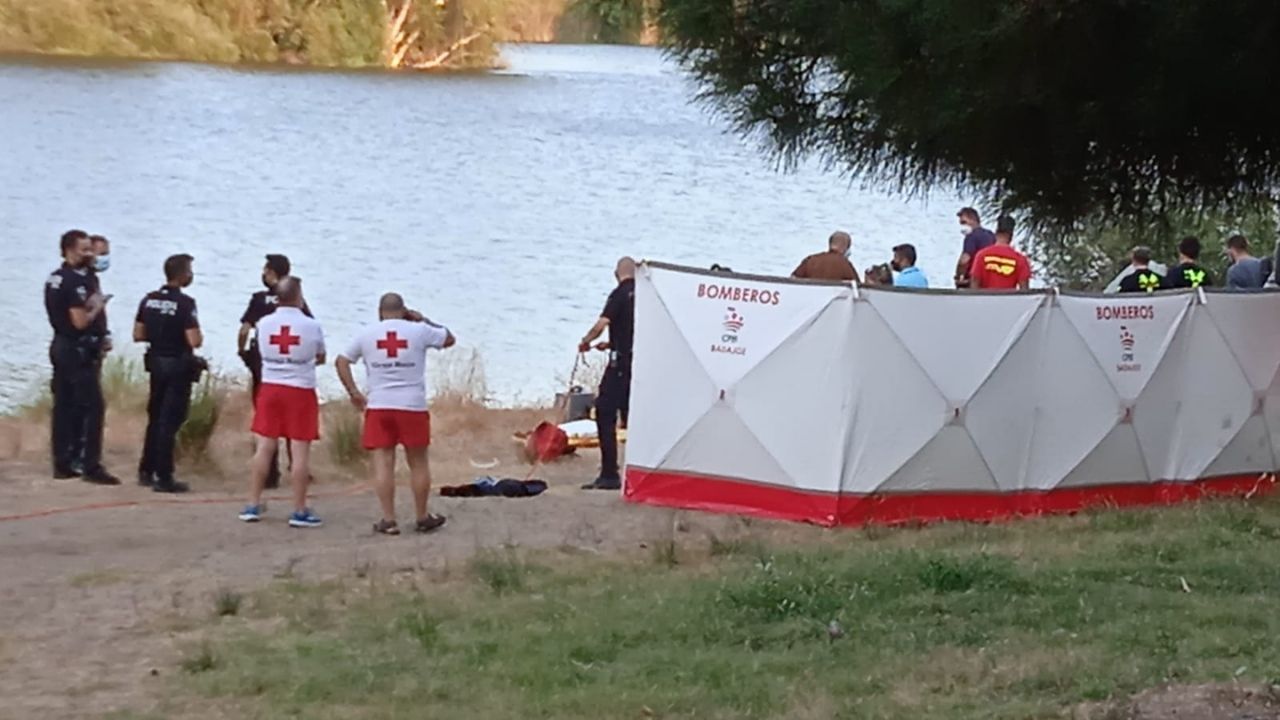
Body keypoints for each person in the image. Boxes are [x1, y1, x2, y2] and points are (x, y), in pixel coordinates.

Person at [336, 293, 456, 535]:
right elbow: (449, 339)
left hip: (379, 405)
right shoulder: (419, 330)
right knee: (418, 462)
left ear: (380, 312)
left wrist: (354, 392)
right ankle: (422, 516)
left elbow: (341, 361)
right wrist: (423, 319)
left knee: (383, 462)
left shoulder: (367, 334)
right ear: (404, 311)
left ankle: (388, 519)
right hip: (412, 405)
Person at [239, 277, 326, 527]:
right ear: (299, 297)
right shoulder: (311, 325)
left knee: (264, 447)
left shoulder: (264, 323)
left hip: (270, 388)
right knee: (299, 452)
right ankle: (299, 509)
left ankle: (252, 504)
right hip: (300, 390)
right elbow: (320, 355)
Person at [45, 230, 120, 485]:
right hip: (75, 349)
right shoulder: (71, 282)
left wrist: (102, 334)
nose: (90, 255)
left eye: (92, 250)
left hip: (65, 346)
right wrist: (98, 305)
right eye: (84, 250)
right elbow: (79, 321)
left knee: (64, 406)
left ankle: (63, 463)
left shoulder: (66, 277)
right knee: (92, 406)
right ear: (69, 249)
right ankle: (91, 465)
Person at [238, 254, 313, 489]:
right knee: (294, 421)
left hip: (265, 363)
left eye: (265, 270)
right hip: (292, 366)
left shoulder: (259, 299)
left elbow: (244, 330)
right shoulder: (296, 301)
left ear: (271, 272)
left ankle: (269, 474)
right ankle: (297, 466)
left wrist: (241, 351)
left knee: (266, 418)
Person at [134, 254, 203, 494]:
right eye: (190, 270)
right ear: (183, 274)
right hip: (177, 365)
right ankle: (164, 476)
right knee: (170, 421)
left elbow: (138, 334)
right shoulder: (185, 303)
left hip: (155, 363)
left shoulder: (148, 300)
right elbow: (194, 339)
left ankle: (145, 470)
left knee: (155, 417)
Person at [579, 257, 636, 491]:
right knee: (633, 416)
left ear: (616, 273)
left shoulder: (619, 294)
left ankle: (610, 473)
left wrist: (586, 341)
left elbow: (601, 324)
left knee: (604, 411)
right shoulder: (648, 297)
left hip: (620, 366)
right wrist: (610, 344)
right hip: (639, 364)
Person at [970, 216, 1032, 290]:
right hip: (1008, 300)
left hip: (985, 300)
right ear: (1011, 236)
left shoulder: (981, 255)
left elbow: (974, 282)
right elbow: (1024, 290)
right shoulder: (1020, 259)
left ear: (996, 233)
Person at [954, 207, 996, 288]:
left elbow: (964, 260)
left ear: (972, 219)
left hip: (972, 280)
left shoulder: (971, 236)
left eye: (963, 222)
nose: (962, 225)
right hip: (989, 278)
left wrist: (959, 276)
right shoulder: (991, 235)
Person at [792, 231, 859, 282]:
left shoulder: (810, 260)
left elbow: (793, 279)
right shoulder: (845, 264)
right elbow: (858, 286)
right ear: (845, 248)